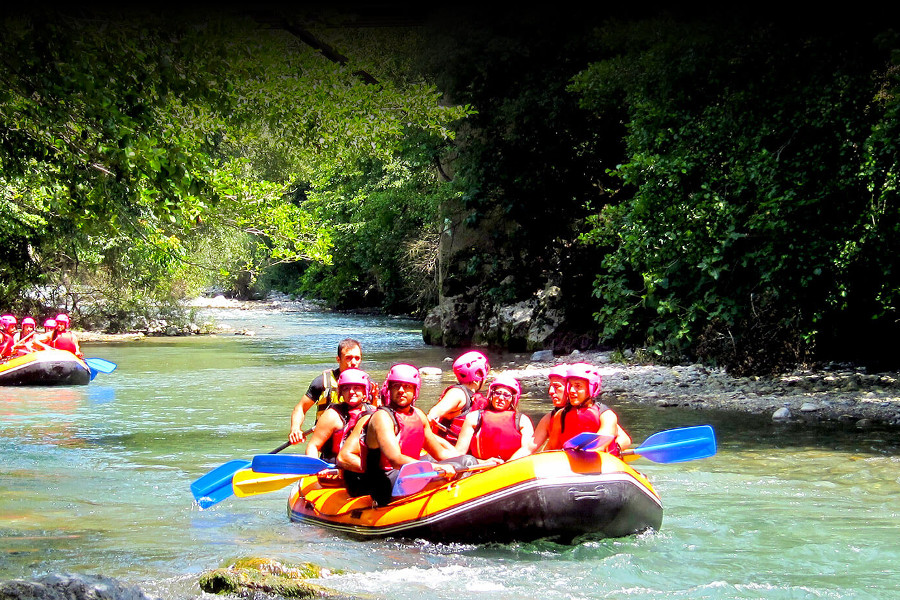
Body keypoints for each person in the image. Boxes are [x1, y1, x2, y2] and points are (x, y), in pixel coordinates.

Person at [337, 363, 477, 506]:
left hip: (410, 473)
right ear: (389, 389)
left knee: (467, 462)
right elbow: (395, 459)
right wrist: (434, 467)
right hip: (384, 481)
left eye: (407, 386)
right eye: (396, 386)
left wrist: (480, 462)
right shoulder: (382, 417)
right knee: (431, 474)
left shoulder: (419, 416)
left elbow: (440, 453)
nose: (401, 390)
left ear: (415, 391)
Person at [289, 338, 366, 444]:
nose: (353, 362)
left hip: (355, 441)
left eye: (357, 358)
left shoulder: (368, 384)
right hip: (326, 441)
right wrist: (295, 429)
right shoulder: (322, 382)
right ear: (338, 359)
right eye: (348, 358)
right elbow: (301, 408)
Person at [545, 362, 631, 455]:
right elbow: (551, 446)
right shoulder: (561, 415)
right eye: (570, 386)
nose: (572, 391)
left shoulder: (606, 415)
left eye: (578, 386)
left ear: (591, 388)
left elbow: (600, 444)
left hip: (600, 462)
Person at [454, 373, 534, 462]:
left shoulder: (523, 421)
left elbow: (527, 451)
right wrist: (484, 462)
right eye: (497, 393)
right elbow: (459, 455)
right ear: (491, 394)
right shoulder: (473, 418)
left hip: (512, 467)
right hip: (481, 467)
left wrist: (506, 465)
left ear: (513, 399)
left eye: (506, 395)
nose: (501, 398)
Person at [305, 368, 376, 464]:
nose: (351, 392)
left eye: (356, 388)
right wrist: (316, 468)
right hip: (333, 468)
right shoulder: (332, 415)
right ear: (341, 392)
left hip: (359, 466)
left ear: (365, 391)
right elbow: (313, 446)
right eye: (346, 388)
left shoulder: (373, 412)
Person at [426, 350, 490, 444]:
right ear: (478, 374)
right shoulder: (458, 393)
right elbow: (433, 415)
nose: (486, 379)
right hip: (448, 450)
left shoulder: (469, 395)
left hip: (461, 450)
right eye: (486, 374)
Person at [510, 363, 569, 459]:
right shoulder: (548, 419)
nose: (550, 391)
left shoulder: (599, 413)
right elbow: (528, 449)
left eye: (556, 387)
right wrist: (507, 464)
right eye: (550, 386)